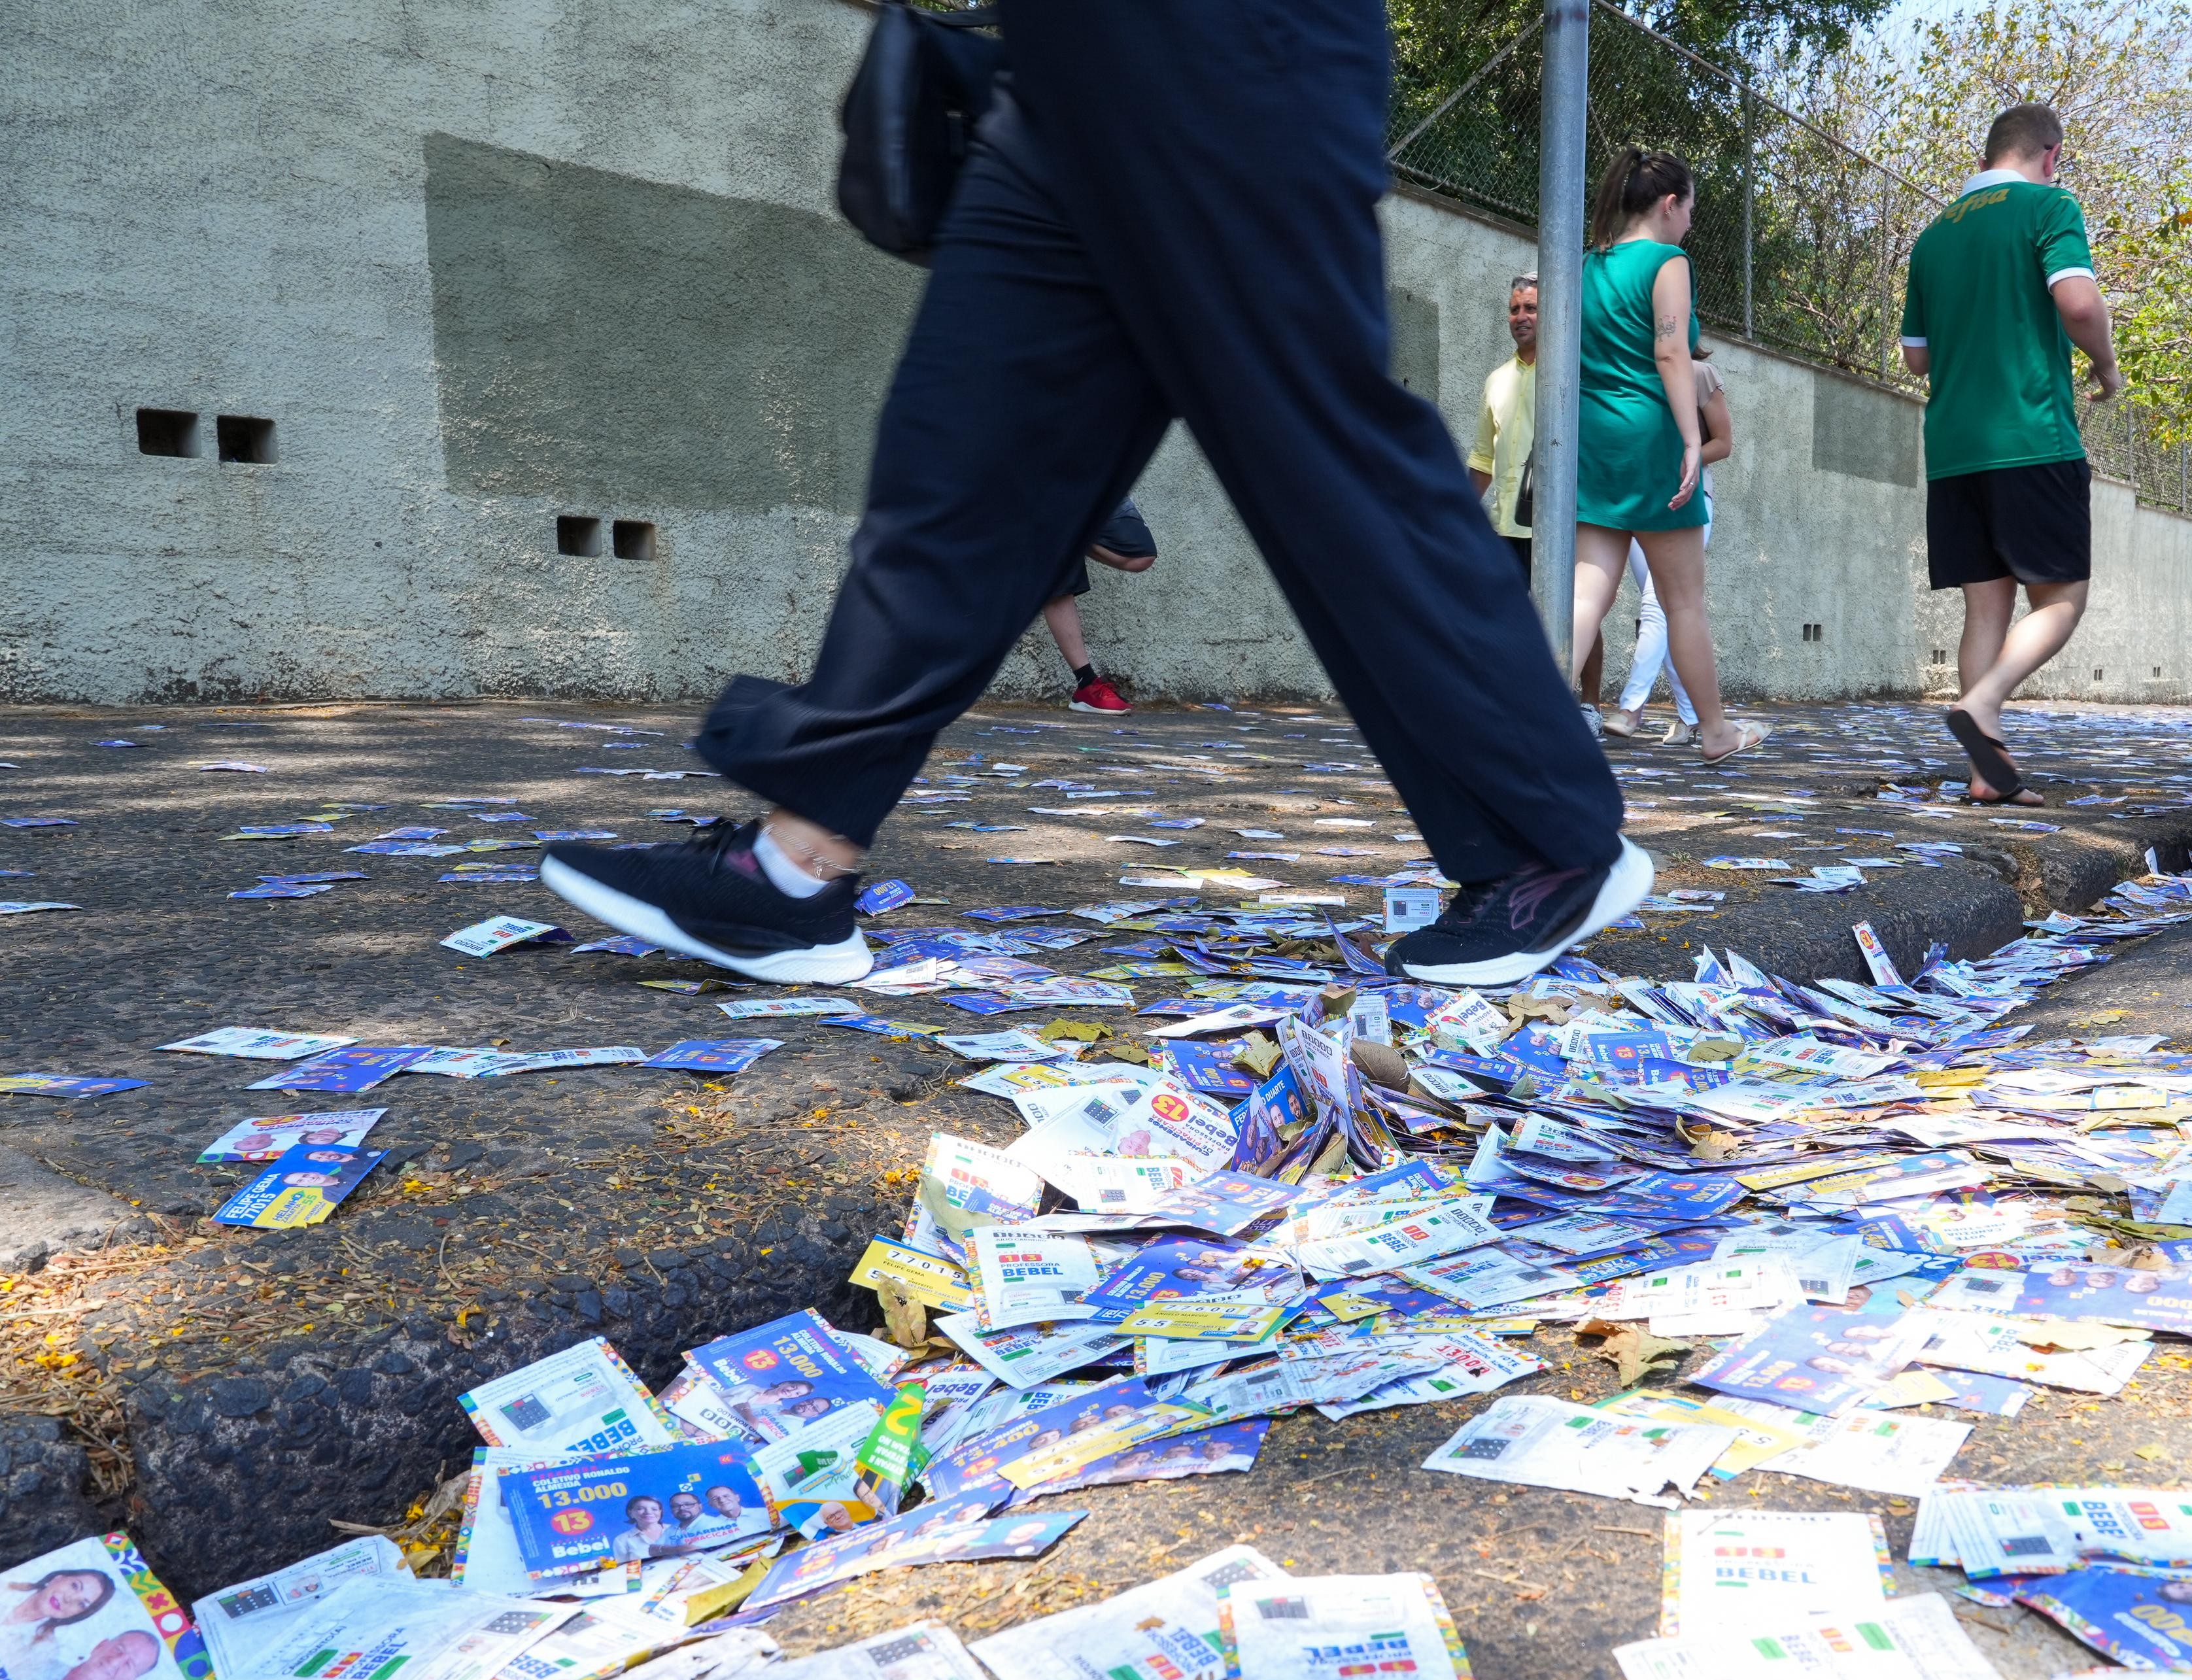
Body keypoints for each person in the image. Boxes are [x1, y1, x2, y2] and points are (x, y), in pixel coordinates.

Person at [538, 3, 1647, 991]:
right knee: (960, 463)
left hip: (1227, 51)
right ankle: (797, 864)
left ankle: (1547, 839)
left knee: (1320, 455)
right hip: (1059, 84)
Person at [1900, 102, 2122, 806]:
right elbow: (2079, 305)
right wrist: (2106, 367)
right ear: (2049, 154)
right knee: (2060, 598)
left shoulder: (1933, 236)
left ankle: (1985, 773)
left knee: (1984, 610)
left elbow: (1914, 357)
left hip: (1954, 447)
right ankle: (1984, 699)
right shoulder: (2049, 207)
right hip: (2030, 434)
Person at [1566, 148, 1764, 764]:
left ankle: (1533, 715)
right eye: (1690, 210)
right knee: (1682, 602)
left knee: (1585, 593)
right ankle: (1714, 731)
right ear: (1669, 204)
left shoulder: (1586, 266)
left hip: (1594, 441)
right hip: (1651, 437)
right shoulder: (1668, 261)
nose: (1691, 225)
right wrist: (1687, 440)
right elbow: (1673, 353)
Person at [1604, 349, 1732, 742]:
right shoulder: (1630, 375)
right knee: (1668, 609)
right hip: (1639, 505)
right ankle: (1693, 718)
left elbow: (1724, 443)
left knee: (1657, 604)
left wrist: (1680, 457)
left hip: (1688, 504)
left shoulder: (1699, 374)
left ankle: (1630, 709)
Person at [1040, 498, 1153, 715]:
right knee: (1058, 563)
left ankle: (1067, 532)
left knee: (1140, 554)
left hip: (1091, 477)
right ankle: (1087, 684)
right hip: (1041, 483)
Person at [1466, 273, 1538, 579]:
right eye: (1514, 309)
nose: (1520, 317)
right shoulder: (1497, 380)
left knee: (1572, 622)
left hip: (1558, 528)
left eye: (1531, 308)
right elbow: (1484, 459)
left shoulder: (1574, 377)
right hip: (1505, 527)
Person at [0, 1568, 111, 1652]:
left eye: (82, 1604)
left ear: (78, 1615)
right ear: (57, 1579)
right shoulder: (5, 1583)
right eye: (74, 1586)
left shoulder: (43, 1650)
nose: (69, 1599)